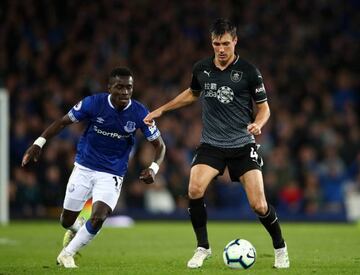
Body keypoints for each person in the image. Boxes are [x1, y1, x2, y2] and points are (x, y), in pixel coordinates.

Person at [144, 18, 290, 269]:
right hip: (211, 144)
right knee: (194, 190)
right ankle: (202, 247)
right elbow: (192, 93)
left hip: (243, 144)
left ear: (235, 41)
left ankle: (280, 248)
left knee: (259, 205)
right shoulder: (201, 68)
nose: (221, 49)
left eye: (225, 43)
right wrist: (162, 109)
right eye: (216, 44)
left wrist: (259, 124)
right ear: (211, 43)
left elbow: (264, 109)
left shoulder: (249, 71)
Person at [22, 67, 166, 268]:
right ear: (109, 88)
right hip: (84, 167)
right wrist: (39, 143)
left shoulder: (140, 112)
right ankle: (76, 227)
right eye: (120, 87)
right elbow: (63, 122)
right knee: (66, 220)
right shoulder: (93, 103)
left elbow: (160, 145)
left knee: (99, 217)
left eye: (129, 88)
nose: (125, 92)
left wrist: (153, 168)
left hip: (112, 173)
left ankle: (67, 253)